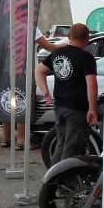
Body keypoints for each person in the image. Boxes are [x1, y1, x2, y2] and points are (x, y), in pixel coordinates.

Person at [34, 24, 97, 163]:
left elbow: (39, 70)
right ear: (87, 39)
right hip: (77, 109)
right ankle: (63, 180)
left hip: (60, 107)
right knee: (72, 149)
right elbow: (91, 84)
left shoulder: (57, 54)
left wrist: (46, 91)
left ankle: (52, 180)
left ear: (69, 37)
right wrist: (92, 109)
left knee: (61, 145)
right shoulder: (86, 58)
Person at [0, 26, 60, 150]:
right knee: (22, 103)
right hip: (24, 71)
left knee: (7, 102)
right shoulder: (30, 26)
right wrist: (66, 46)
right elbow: (47, 46)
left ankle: (6, 138)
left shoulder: (7, 24)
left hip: (7, 70)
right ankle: (21, 140)